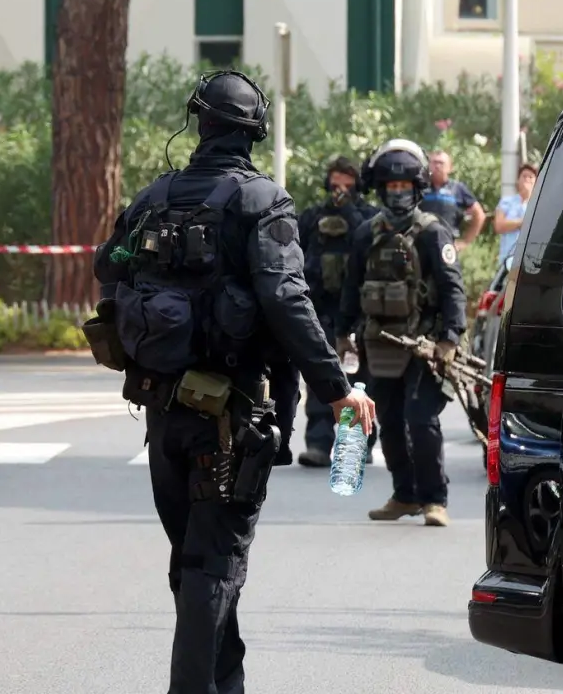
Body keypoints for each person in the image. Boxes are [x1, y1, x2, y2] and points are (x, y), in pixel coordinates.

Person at [93, 70, 374, 694]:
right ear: (254, 132)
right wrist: (338, 388)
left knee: (195, 566)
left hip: (162, 415)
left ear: (199, 124)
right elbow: (287, 299)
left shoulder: (152, 196)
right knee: (213, 568)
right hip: (230, 417)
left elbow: (104, 266)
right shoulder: (262, 201)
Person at [342, 139, 467, 528]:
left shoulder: (433, 233)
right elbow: (351, 288)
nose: (398, 196)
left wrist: (450, 338)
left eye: (405, 189)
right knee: (390, 420)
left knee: (421, 420)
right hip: (381, 344)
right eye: (391, 189)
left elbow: (452, 288)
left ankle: (435, 499)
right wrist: (342, 333)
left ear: (417, 189)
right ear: (381, 190)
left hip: (427, 345)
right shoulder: (366, 234)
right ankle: (404, 494)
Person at [284, 157, 377, 469]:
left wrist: (348, 210)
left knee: (360, 381)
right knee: (321, 378)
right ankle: (319, 444)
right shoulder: (313, 217)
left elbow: (369, 244)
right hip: (321, 310)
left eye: (347, 187)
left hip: (357, 313)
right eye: (336, 186)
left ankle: (356, 445)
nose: (340, 192)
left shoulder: (367, 218)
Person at [422, 149, 485, 251]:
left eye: (441, 163)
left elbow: (479, 215)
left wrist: (465, 242)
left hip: (447, 246)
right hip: (421, 245)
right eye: (434, 163)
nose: (437, 166)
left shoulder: (458, 188)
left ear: (450, 168)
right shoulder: (420, 187)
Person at [493, 162, 537, 264]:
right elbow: (499, 226)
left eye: (530, 177)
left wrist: (511, 224)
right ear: (518, 180)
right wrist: (522, 223)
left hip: (530, 261)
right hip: (508, 259)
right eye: (524, 176)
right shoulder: (506, 202)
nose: (527, 179)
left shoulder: (538, 205)